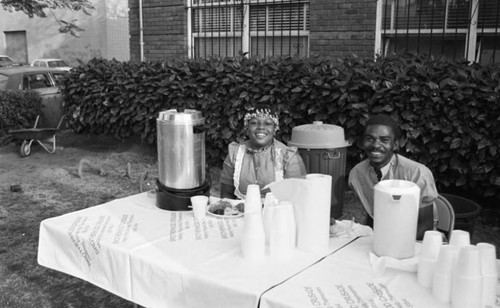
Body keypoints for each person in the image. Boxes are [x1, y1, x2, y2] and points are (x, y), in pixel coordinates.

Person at [348, 114, 438, 240]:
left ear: (395, 145)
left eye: (384, 140)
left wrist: (391, 244)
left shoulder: (417, 174)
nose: (376, 145)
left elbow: (424, 228)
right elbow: (372, 214)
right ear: (362, 143)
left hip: (415, 240)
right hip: (379, 238)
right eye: (369, 139)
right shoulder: (357, 174)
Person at [220, 107, 307, 199]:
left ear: (274, 129)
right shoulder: (235, 154)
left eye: (268, 123)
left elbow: (297, 197)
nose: (261, 127)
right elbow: (226, 195)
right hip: (242, 211)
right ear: (247, 128)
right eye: (254, 123)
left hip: (278, 211)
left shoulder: (288, 156)